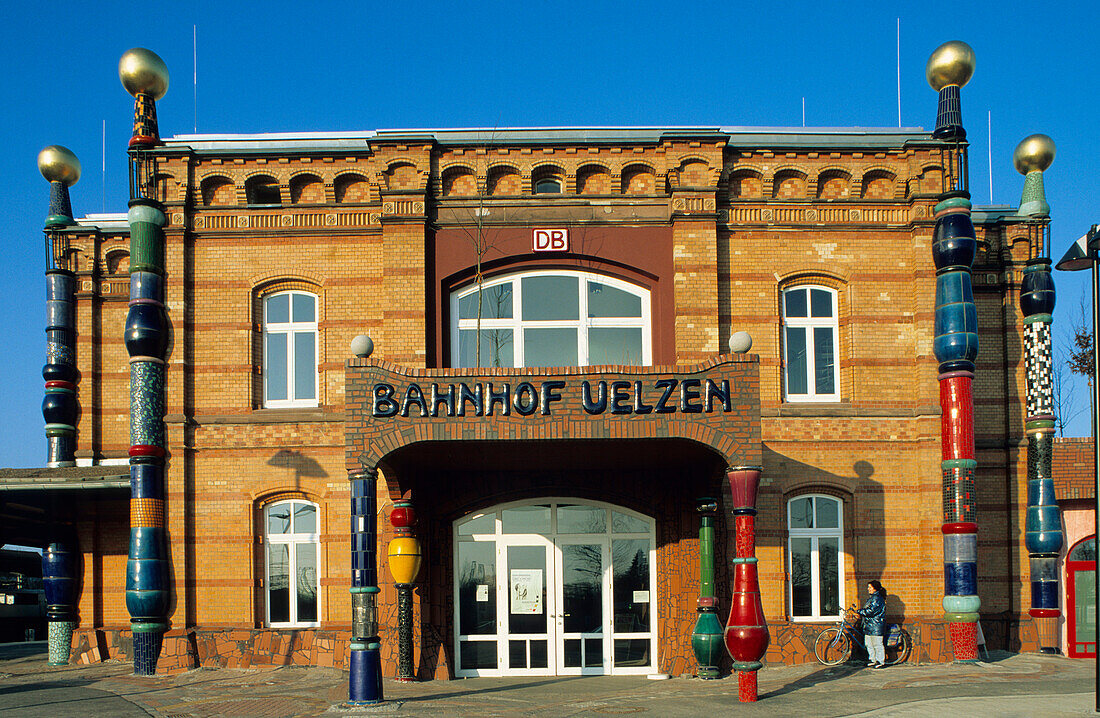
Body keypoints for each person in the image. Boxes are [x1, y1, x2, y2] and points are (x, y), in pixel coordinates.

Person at [857, 580, 887, 668]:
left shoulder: (877, 598)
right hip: (869, 625)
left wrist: (859, 611)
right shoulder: (872, 597)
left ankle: (880, 661)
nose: (868, 589)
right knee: (869, 644)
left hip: (876, 625)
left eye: (870, 587)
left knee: (877, 644)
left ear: (875, 588)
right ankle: (872, 659)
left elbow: (871, 611)